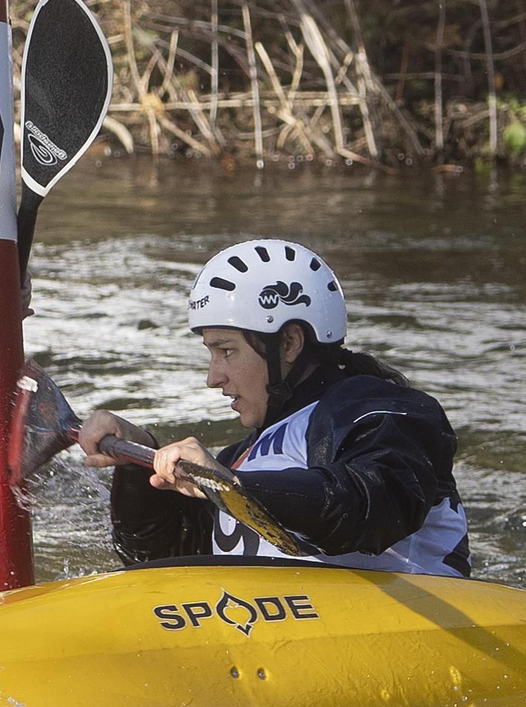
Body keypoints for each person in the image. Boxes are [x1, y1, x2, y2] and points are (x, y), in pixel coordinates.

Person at [78, 238, 470, 576]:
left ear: (288, 344)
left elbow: (372, 509)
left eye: (227, 351)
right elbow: (159, 561)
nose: (213, 377)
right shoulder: (243, 458)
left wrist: (231, 485)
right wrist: (138, 462)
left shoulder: (381, 412)